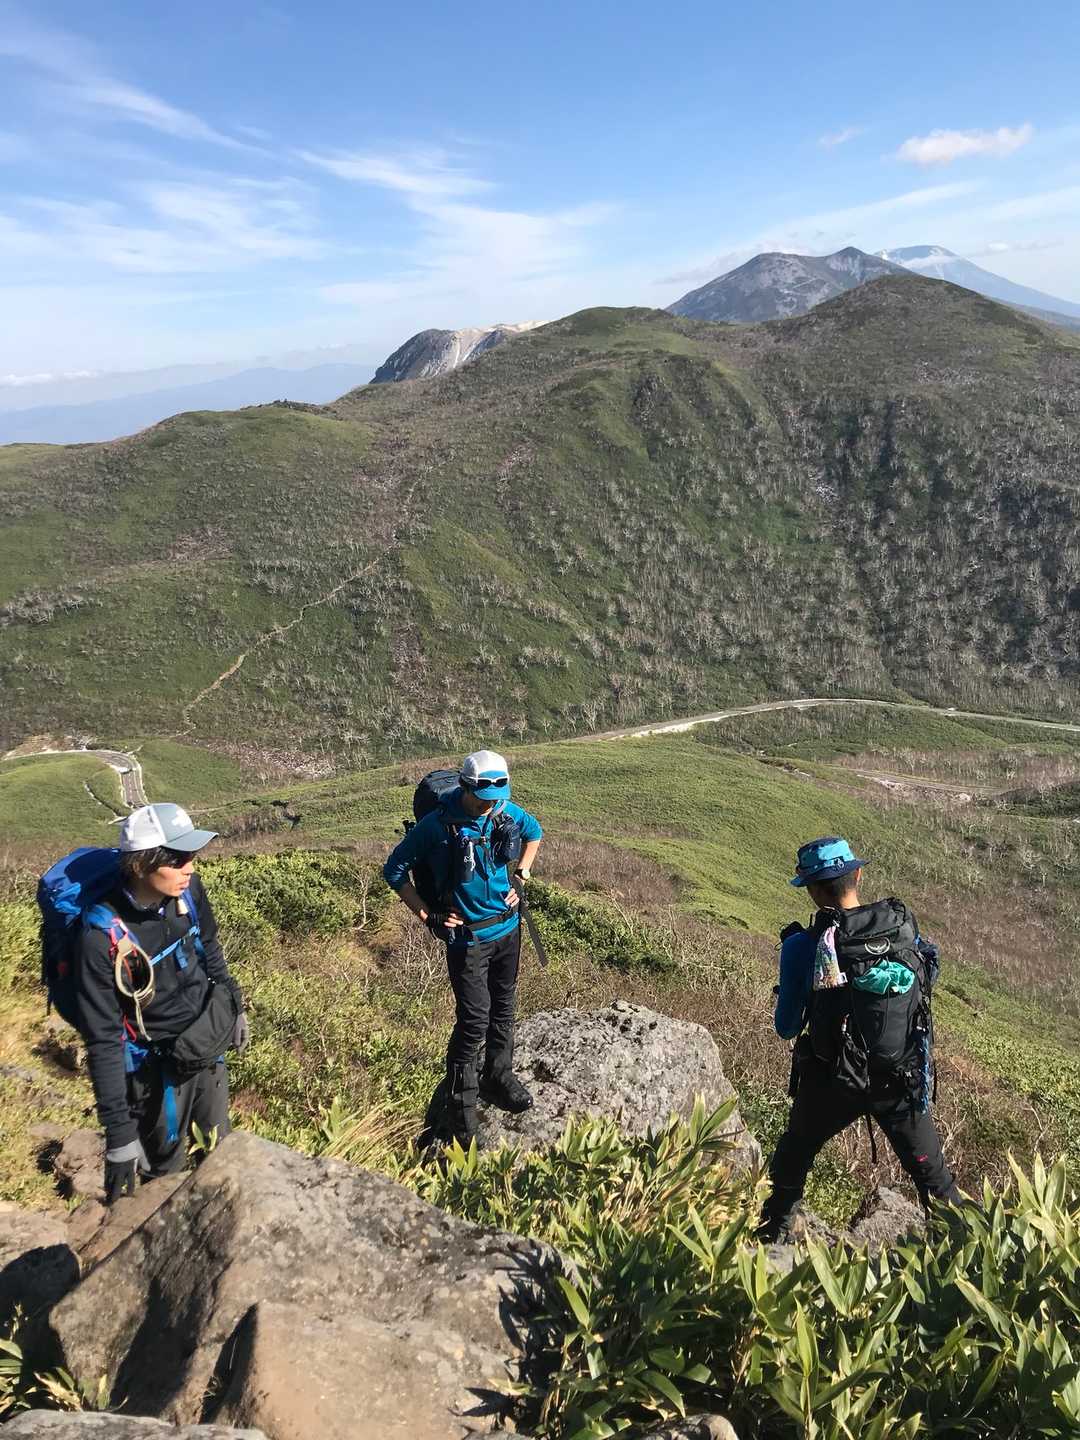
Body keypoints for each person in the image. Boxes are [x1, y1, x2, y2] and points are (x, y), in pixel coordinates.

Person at [757, 836, 961, 1242]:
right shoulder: (901, 928)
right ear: (858, 875)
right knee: (935, 1180)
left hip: (833, 1079)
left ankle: (770, 1241)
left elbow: (787, 1027)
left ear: (813, 891)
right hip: (899, 1078)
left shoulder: (802, 947)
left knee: (793, 1156)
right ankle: (972, 1259)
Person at [77, 803, 248, 1203]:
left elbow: (210, 948)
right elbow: (103, 1040)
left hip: (205, 1043)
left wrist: (234, 1004)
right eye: (177, 859)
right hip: (156, 1069)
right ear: (140, 865)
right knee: (164, 1175)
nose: (190, 867)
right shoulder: (100, 938)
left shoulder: (189, 893)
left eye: (191, 855)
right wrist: (119, 1134)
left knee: (218, 1151)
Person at [383, 749, 543, 1146]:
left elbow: (534, 832)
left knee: (504, 1006)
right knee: (473, 1022)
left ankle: (499, 1076)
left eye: (497, 799)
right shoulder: (437, 826)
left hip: (508, 928)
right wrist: (427, 915)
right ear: (466, 788)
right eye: (484, 799)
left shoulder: (503, 810)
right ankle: (461, 1112)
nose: (491, 806)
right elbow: (394, 870)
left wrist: (521, 875)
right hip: (469, 939)